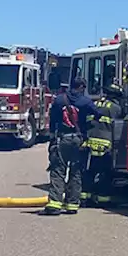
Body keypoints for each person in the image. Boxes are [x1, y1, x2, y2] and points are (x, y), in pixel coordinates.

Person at [43, 77, 101, 215]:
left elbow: (52, 121)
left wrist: (52, 137)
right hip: (79, 140)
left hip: (62, 139)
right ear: (81, 87)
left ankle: (55, 204)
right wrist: (89, 121)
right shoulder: (86, 102)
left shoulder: (59, 99)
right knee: (76, 172)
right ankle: (72, 205)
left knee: (58, 171)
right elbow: (99, 114)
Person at [82, 84, 125, 207]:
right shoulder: (115, 108)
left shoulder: (94, 104)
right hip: (105, 145)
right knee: (105, 173)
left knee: (90, 171)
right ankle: (103, 200)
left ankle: (85, 197)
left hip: (91, 142)